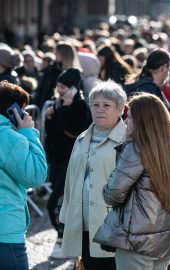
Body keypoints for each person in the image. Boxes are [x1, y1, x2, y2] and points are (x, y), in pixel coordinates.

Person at [94, 93, 170, 270]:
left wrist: (105, 185)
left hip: (136, 242)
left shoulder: (136, 148)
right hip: (162, 244)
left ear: (141, 121)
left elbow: (112, 195)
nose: (125, 122)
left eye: (129, 117)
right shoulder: (169, 149)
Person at [59, 79, 127, 270]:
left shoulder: (128, 139)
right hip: (84, 220)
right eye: (95, 105)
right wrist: (66, 214)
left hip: (113, 225)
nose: (100, 109)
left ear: (120, 109)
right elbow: (71, 179)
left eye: (107, 105)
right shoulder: (82, 138)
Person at [45, 68, 92, 259]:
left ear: (73, 88)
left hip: (72, 162)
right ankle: (66, 238)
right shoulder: (58, 104)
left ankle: (61, 238)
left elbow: (73, 130)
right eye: (58, 86)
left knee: (55, 202)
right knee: (61, 202)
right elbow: (53, 133)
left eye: (64, 86)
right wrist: (50, 116)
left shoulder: (80, 106)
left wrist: (65, 108)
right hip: (57, 161)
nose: (60, 90)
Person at [0, 80, 47, 270]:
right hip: (6, 231)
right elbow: (36, 175)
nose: (25, 114)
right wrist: (29, 133)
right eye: (23, 109)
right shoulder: (8, 138)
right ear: (13, 111)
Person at [124, 48, 170, 121]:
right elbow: (153, 120)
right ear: (163, 68)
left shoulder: (141, 84)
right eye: (169, 69)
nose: (169, 73)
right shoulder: (149, 88)